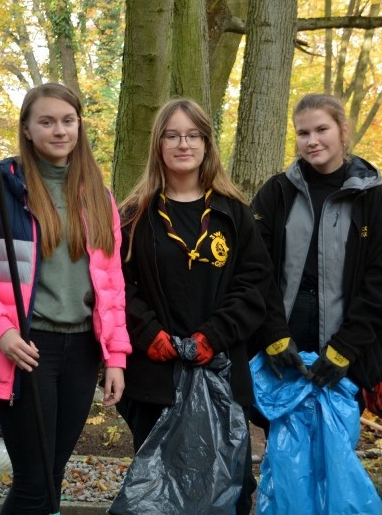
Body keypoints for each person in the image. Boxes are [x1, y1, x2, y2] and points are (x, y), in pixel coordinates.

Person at [0, 83, 131, 514]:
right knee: (34, 480)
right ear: (27, 130)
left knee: (53, 475)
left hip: (82, 351)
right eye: (46, 121)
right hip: (27, 350)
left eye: (68, 121)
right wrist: (2, 331)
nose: (59, 130)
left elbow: (112, 284)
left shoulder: (99, 199)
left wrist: (115, 356)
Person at [116, 98, 291, 514]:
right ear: (158, 144)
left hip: (221, 374)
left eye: (193, 135)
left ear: (207, 144)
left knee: (228, 491)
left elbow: (255, 286)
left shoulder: (235, 214)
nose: (183, 144)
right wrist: (150, 335)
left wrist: (212, 336)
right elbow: (117, 288)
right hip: (156, 378)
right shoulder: (133, 216)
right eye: (173, 135)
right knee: (159, 495)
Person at [250, 93, 382, 417]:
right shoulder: (276, 193)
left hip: (347, 353)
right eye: (303, 133)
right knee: (282, 447)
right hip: (282, 348)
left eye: (322, 129)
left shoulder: (374, 201)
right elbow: (254, 270)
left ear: (343, 131)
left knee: (331, 449)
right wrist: (273, 335)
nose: (312, 141)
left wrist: (344, 349)